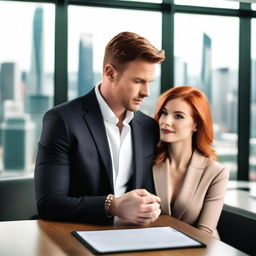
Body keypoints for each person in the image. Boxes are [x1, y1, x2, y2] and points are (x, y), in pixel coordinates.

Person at [34, 31, 165, 225]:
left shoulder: (148, 127)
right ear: (110, 73)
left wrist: (150, 207)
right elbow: (49, 204)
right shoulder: (62, 120)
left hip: (134, 234)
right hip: (74, 235)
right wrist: (113, 205)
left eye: (149, 83)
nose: (146, 92)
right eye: (138, 81)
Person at [153, 86, 229, 239]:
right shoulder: (149, 162)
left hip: (200, 248)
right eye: (164, 113)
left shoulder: (216, 172)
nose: (166, 121)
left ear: (196, 124)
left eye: (179, 116)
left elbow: (205, 231)